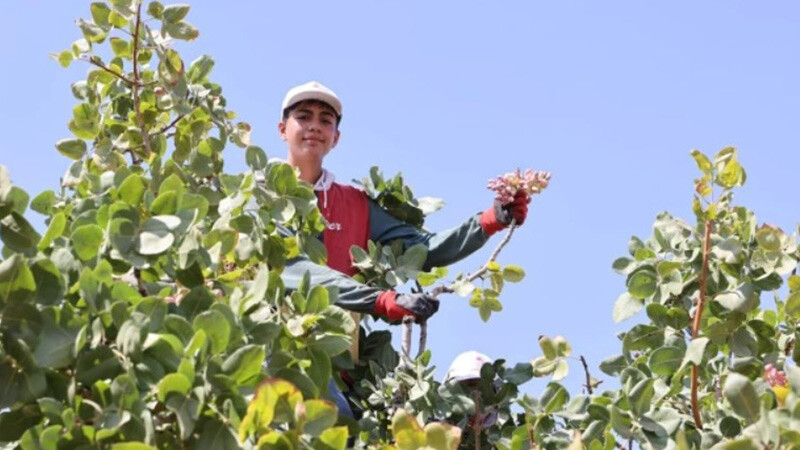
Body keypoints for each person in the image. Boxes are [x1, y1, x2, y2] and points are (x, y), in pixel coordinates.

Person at [276, 81, 531, 327]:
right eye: (304, 117)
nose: (314, 127)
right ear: (282, 129)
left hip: (339, 355)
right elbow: (292, 267)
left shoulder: (356, 204)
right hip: (269, 351)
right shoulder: (258, 194)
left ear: (336, 138)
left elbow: (422, 249)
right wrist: (379, 300)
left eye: (325, 121)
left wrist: (490, 219)